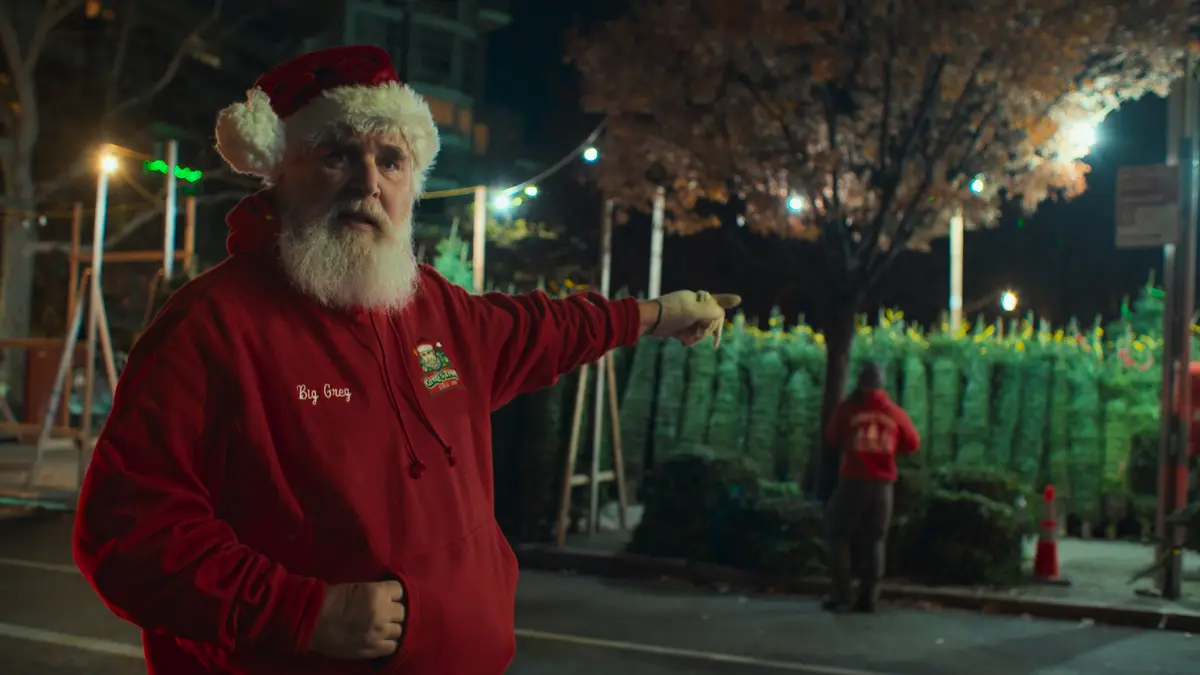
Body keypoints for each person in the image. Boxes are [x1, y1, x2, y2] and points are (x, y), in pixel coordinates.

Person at [71, 45, 740, 675]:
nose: (368, 182)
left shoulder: (435, 311)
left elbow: (549, 327)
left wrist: (658, 314)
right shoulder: (212, 328)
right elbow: (126, 533)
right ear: (281, 171)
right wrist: (300, 612)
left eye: (391, 160)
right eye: (337, 154)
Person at [821, 362, 919, 613]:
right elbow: (913, 443)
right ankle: (868, 597)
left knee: (837, 533)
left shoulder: (849, 409)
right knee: (875, 539)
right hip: (883, 484)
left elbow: (832, 436)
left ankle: (842, 594)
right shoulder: (894, 413)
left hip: (853, 480)